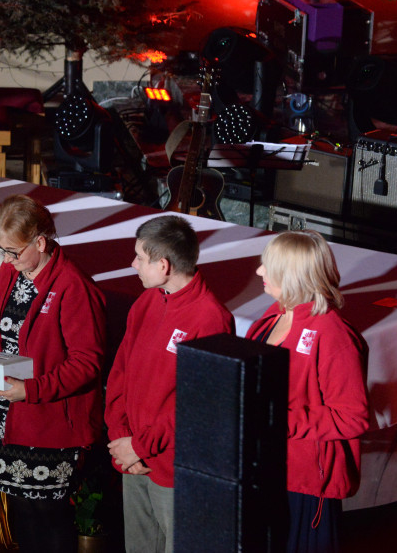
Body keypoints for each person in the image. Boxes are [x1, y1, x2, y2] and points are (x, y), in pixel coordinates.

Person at [0, 195, 107, 553]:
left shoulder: (73, 286)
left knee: (48, 519)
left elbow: (86, 362)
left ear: (40, 243)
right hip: (8, 418)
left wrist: (30, 391)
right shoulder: (8, 272)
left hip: (48, 425)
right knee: (22, 515)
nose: (6, 260)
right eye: (1, 250)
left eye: (13, 251)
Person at [104, 215, 234, 553]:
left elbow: (200, 407)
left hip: (172, 470)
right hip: (132, 458)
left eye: (140, 258)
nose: (133, 264)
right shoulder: (146, 301)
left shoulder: (210, 319)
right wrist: (121, 437)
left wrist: (141, 445)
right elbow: (120, 373)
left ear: (164, 265)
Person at [246, 230, 368, 553]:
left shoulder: (332, 334)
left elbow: (353, 417)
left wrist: (283, 422)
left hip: (303, 485)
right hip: (265, 469)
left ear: (294, 276)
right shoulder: (272, 315)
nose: (259, 271)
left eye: (267, 266)